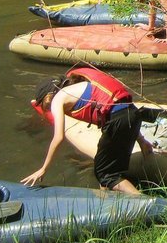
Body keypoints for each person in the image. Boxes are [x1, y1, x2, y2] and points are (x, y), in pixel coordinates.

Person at [23, 67, 152, 195]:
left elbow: (58, 137)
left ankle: (148, 203)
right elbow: (123, 109)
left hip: (117, 121)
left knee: (106, 175)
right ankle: (107, 205)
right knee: (104, 171)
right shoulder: (82, 85)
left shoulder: (58, 99)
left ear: (48, 97)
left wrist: (44, 168)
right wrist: (142, 140)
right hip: (134, 114)